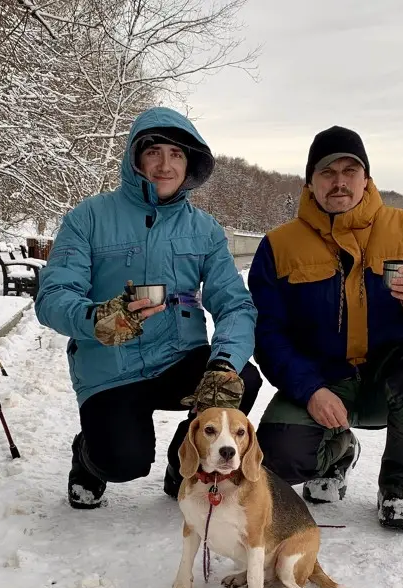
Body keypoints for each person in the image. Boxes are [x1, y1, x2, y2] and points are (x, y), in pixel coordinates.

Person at [35, 106, 261, 509]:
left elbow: (236, 305)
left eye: (176, 154)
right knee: (123, 463)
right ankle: (87, 457)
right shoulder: (88, 218)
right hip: (111, 363)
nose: (164, 165)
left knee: (241, 378)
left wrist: (224, 361)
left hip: (178, 357)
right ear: (135, 157)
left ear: (189, 163)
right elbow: (52, 297)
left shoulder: (205, 229)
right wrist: (98, 319)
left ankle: (185, 462)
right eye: (154, 151)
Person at [247, 125, 403, 531]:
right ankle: (339, 450)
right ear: (310, 182)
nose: (340, 181)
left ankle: (400, 485)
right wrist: (310, 390)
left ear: (367, 178)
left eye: (351, 170)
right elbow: (267, 333)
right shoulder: (279, 245)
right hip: (322, 379)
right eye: (328, 172)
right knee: (278, 457)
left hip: (389, 379)